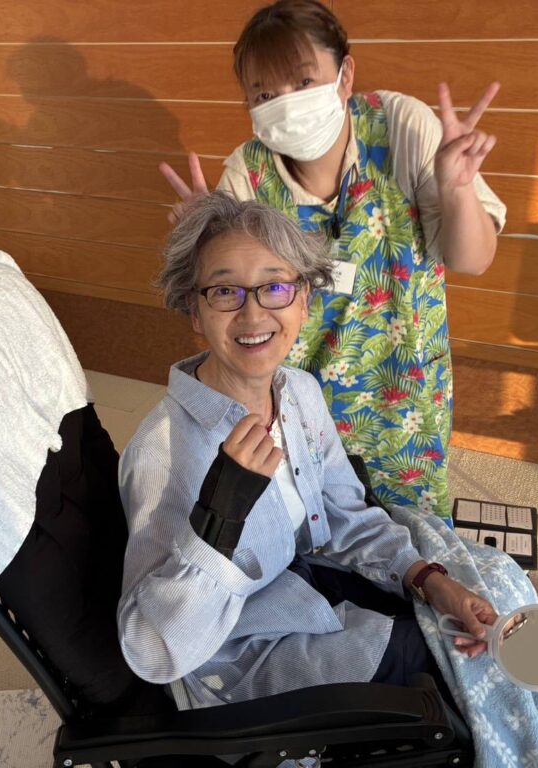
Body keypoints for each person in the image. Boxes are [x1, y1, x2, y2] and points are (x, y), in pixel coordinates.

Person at [117, 192, 496, 708]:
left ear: (303, 302)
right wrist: (219, 518)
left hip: (306, 582)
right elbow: (152, 649)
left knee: (481, 604)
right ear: (194, 311)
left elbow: (343, 512)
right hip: (241, 653)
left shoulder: (299, 392)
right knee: (457, 664)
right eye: (225, 291)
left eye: (275, 287)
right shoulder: (161, 452)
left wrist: (426, 579)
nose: (253, 314)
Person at [160, 0, 506, 519]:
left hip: (402, 388)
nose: (286, 103)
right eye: (264, 94)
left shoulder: (399, 126)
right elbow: (226, 308)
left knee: (409, 536)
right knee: (311, 529)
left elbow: (472, 259)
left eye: (303, 82)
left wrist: (457, 189)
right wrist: (203, 239)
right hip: (299, 402)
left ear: (345, 75)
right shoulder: (247, 175)